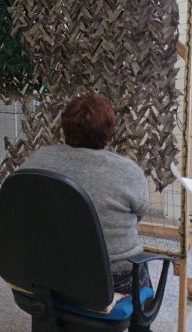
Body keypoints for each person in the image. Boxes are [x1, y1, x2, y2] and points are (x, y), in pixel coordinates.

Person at [21, 92, 151, 294]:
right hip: (111, 280)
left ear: (65, 126)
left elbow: (23, 202)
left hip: (46, 271)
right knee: (142, 269)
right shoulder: (128, 172)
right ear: (109, 130)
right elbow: (139, 214)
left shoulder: (37, 160)